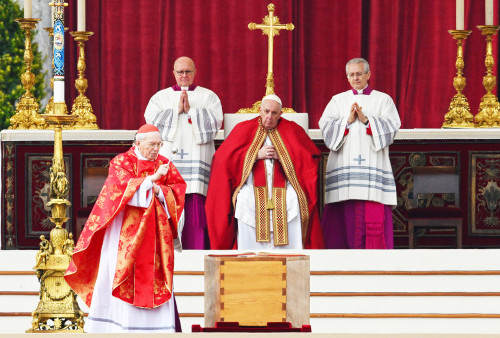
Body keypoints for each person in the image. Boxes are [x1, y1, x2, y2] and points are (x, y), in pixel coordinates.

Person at [64, 124, 186, 333]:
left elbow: (177, 192)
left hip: (156, 234)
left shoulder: (165, 164)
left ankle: (158, 328)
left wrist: (158, 189)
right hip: (124, 235)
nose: (156, 149)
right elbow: (118, 192)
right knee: (119, 272)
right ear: (138, 143)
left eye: (159, 144)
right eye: (151, 144)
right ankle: (119, 325)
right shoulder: (121, 162)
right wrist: (150, 181)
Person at [206, 95, 324, 250]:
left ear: (280, 114)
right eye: (266, 111)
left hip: (286, 188)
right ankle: (248, 254)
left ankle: (291, 256)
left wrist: (283, 156)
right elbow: (223, 160)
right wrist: (254, 155)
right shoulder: (243, 128)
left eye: (274, 113)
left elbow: (310, 157)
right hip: (251, 187)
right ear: (260, 110)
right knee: (244, 199)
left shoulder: (292, 129)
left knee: (293, 199)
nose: (269, 117)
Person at [319, 58, 401, 249]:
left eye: (359, 73)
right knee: (343, 213)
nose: (355, 78)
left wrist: (366, 120)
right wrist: (346, 121)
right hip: (344, 167)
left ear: (368, 75)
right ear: (347, 77)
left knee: (372, 208)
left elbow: (392, 128)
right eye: (351, 74)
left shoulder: (383, 99)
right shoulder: (338, 100)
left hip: (373, 166)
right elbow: (326, 128)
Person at [144, 56, 223, 250]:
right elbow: (151, 124)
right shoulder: (160, 97)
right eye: (180, 72)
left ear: (195, 73)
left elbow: (215, 124)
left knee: (196, 212)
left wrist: (192, 111)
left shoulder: (208, 96)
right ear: (174, 74)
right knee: (168, 203)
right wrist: (176, 111)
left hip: (197, 160)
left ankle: (196, 253)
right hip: (170, 159)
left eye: (188, 71)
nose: (184, 75)